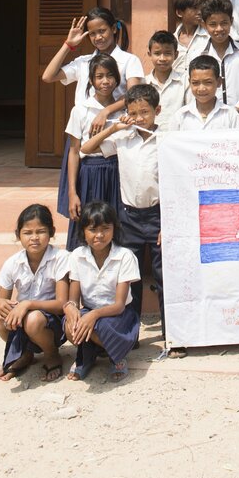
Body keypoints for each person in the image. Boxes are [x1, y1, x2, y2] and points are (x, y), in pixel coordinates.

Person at [81, 83, 163, 324]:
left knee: (162, 276)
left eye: (145, 112)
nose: (139, 118)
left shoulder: (166, 139)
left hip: (158, 216)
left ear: (157, 110)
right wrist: (113, 127)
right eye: (134, 113)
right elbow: (86, 149)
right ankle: (130, 334)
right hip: (129, 217)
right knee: (131, 278)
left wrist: (167, 220)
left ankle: (171, 336)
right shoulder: (123, 138)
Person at [0, 204, 69, 383]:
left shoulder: (61, 258)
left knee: (33, 319)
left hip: (51, 322)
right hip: (22, 317)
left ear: (51, 232)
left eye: (40, 231)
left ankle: (52, 354)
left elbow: (61, 304)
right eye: (27, 233)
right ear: (18, 234)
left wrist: (28, 304)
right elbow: (2, 300)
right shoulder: (13, 263)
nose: (34, 238)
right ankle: (24, 355)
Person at [64, 201, 141, 383]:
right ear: (83, 231)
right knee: (71, 325)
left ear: (114, 229)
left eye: (105, 228)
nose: (99, 235)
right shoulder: (76, 255)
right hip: (89, 310)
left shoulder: (125, 256)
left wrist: (94, 315)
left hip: (118, 316)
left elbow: (119, 305)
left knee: (101, 326)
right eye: (92, 229)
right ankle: (88, 357)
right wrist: (71, 308)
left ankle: (117, 356)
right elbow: (73, 298)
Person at [59, 54, 123, 250]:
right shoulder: (80, 110)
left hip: (117, 172)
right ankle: (80, 276)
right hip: (89, 172)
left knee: (114, 222)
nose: (105, 81)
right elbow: (74, 151)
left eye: (110, 75)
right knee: (87, 222)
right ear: (92, 80)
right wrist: (72, 192)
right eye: (99, 76)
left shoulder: (124, 110)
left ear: (117, 78)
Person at [42, 6, 144, 109]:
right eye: (92, 34)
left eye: (102, 31)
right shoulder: (83, 62)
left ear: (113, 29)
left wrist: (105, 112)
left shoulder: (130, 60)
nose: (98, 37)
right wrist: (68, 45)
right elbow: (48, 76)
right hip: (84, 123)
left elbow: (133, 95)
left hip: (115, 121)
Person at [190, 0, 239, 107]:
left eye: (224, 23)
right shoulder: (196, 55)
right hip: (211, 119)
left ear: (231, 21)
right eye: (213, 24)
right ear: (204, 25)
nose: (219, 29)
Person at [167, 55, 239, 130]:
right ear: (189, 82)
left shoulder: (230, 115)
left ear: (219, 82)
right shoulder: (180, 116)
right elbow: (172, 141)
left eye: (208, 82)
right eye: (195, 83)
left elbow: (237, 142)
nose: (201, 89)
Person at [143, 30, 186, 127]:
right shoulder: (143, 83)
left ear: (176, 55)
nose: (162, 58)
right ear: (149, 54)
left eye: (167, 53)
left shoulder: (185, 81)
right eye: (157, 53)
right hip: (151, 138)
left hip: (177, 137)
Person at [171, 0, 207, 72]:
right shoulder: (172, 40)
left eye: (201, 8)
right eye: (194, 8)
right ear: (179, 13)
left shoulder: (209, 38)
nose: (199, 12)